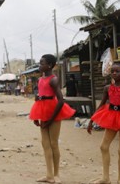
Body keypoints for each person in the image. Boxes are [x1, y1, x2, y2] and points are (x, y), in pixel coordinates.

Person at [29, 54, 76, 183]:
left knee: (54, 143)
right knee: (45, 144)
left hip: (53, 112)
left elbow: (61, 100)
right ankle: (49, 174)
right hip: (42, 111)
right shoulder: (40, 79)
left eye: (42, 63)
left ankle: (56, 174)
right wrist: (36, 115)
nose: (39, 65)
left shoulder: (53, 79)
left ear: (49, 65)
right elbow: (40, 96)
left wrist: (51, 119)